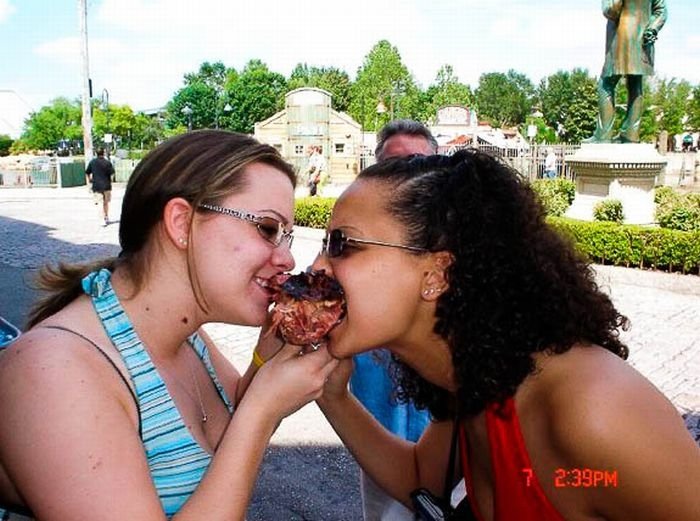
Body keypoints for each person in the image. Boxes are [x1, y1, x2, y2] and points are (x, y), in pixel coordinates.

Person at [312, 150, 700, 520]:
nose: (316, 267)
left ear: (437, 274)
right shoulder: (479, 379)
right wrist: (332, 395)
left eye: (342, 245)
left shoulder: (591, 410)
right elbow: (419, 478)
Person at [0, 130, 338, 521]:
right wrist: (263, 410)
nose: (287, 259)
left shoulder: (186, 333)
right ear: (181, 222)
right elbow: (248, 423)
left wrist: (269, 360)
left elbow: (228, 435)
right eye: (267, 229)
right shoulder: (53, 371)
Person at [351, 119, 437, 520]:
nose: (407, 176)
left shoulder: (465, 242)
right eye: (394, 164)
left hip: (446, 428)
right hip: (378, 423)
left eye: (419, 164)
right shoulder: (355, 237)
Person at [588, 0, 668, 143]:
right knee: (635, 85)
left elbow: (611, 10)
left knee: (605, 84)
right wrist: (652, 28)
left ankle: (603, 135)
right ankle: (631, 134)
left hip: (622, 40)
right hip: (644, 41)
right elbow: (661, 11)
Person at [86, 147, 116, 225]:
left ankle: (102, 219)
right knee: (106, 202)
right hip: (106, 185)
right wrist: (111, 181)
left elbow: (87, 172)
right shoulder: (107, 163)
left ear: (96, 153)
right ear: (104, 153)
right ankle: (106, 216)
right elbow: (112, 173)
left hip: (96, 185)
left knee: (100, 203)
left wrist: (89, 181)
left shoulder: (92, 162)